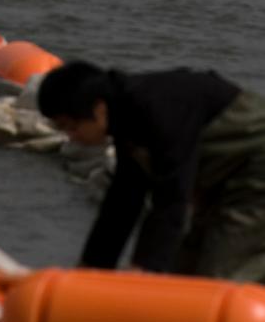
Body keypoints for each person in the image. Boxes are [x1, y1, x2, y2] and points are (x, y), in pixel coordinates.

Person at [37, 60, 265, 281]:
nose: (71, 137)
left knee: (216, 277)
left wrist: (145, 268)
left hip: (254, 176)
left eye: (71, 126)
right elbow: (123, 201)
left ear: (99, 109)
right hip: (224, 182)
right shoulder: (127, 119)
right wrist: (92, 267)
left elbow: (173, 196)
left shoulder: (158, 109)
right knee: (184, 272)